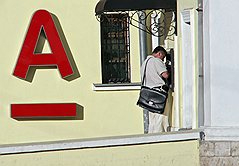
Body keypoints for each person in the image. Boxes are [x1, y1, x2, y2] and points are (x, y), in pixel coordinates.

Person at [140, 46, 169, 133]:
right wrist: (168, 68)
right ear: (159, 53)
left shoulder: (145, 62)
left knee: (152, 117)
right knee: (160, 117)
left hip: (148, 93)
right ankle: (159, 136)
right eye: (163, 57)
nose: (162, 60)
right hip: (158, 93)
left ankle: (151, 135)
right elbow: (165, 75)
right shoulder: (156, 61)